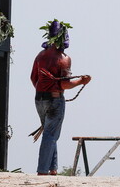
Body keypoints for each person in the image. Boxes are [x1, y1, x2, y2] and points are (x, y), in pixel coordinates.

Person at [30, 20, 91, 176]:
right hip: (55, 100)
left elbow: (33, 78)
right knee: (50, 134)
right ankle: (42, 170)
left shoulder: (40, 56)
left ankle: (53, 168)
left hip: (39, 99)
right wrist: (82, 81)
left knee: (51, 131)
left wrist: (44, 89)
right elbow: (65, 85)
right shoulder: (64, 59)